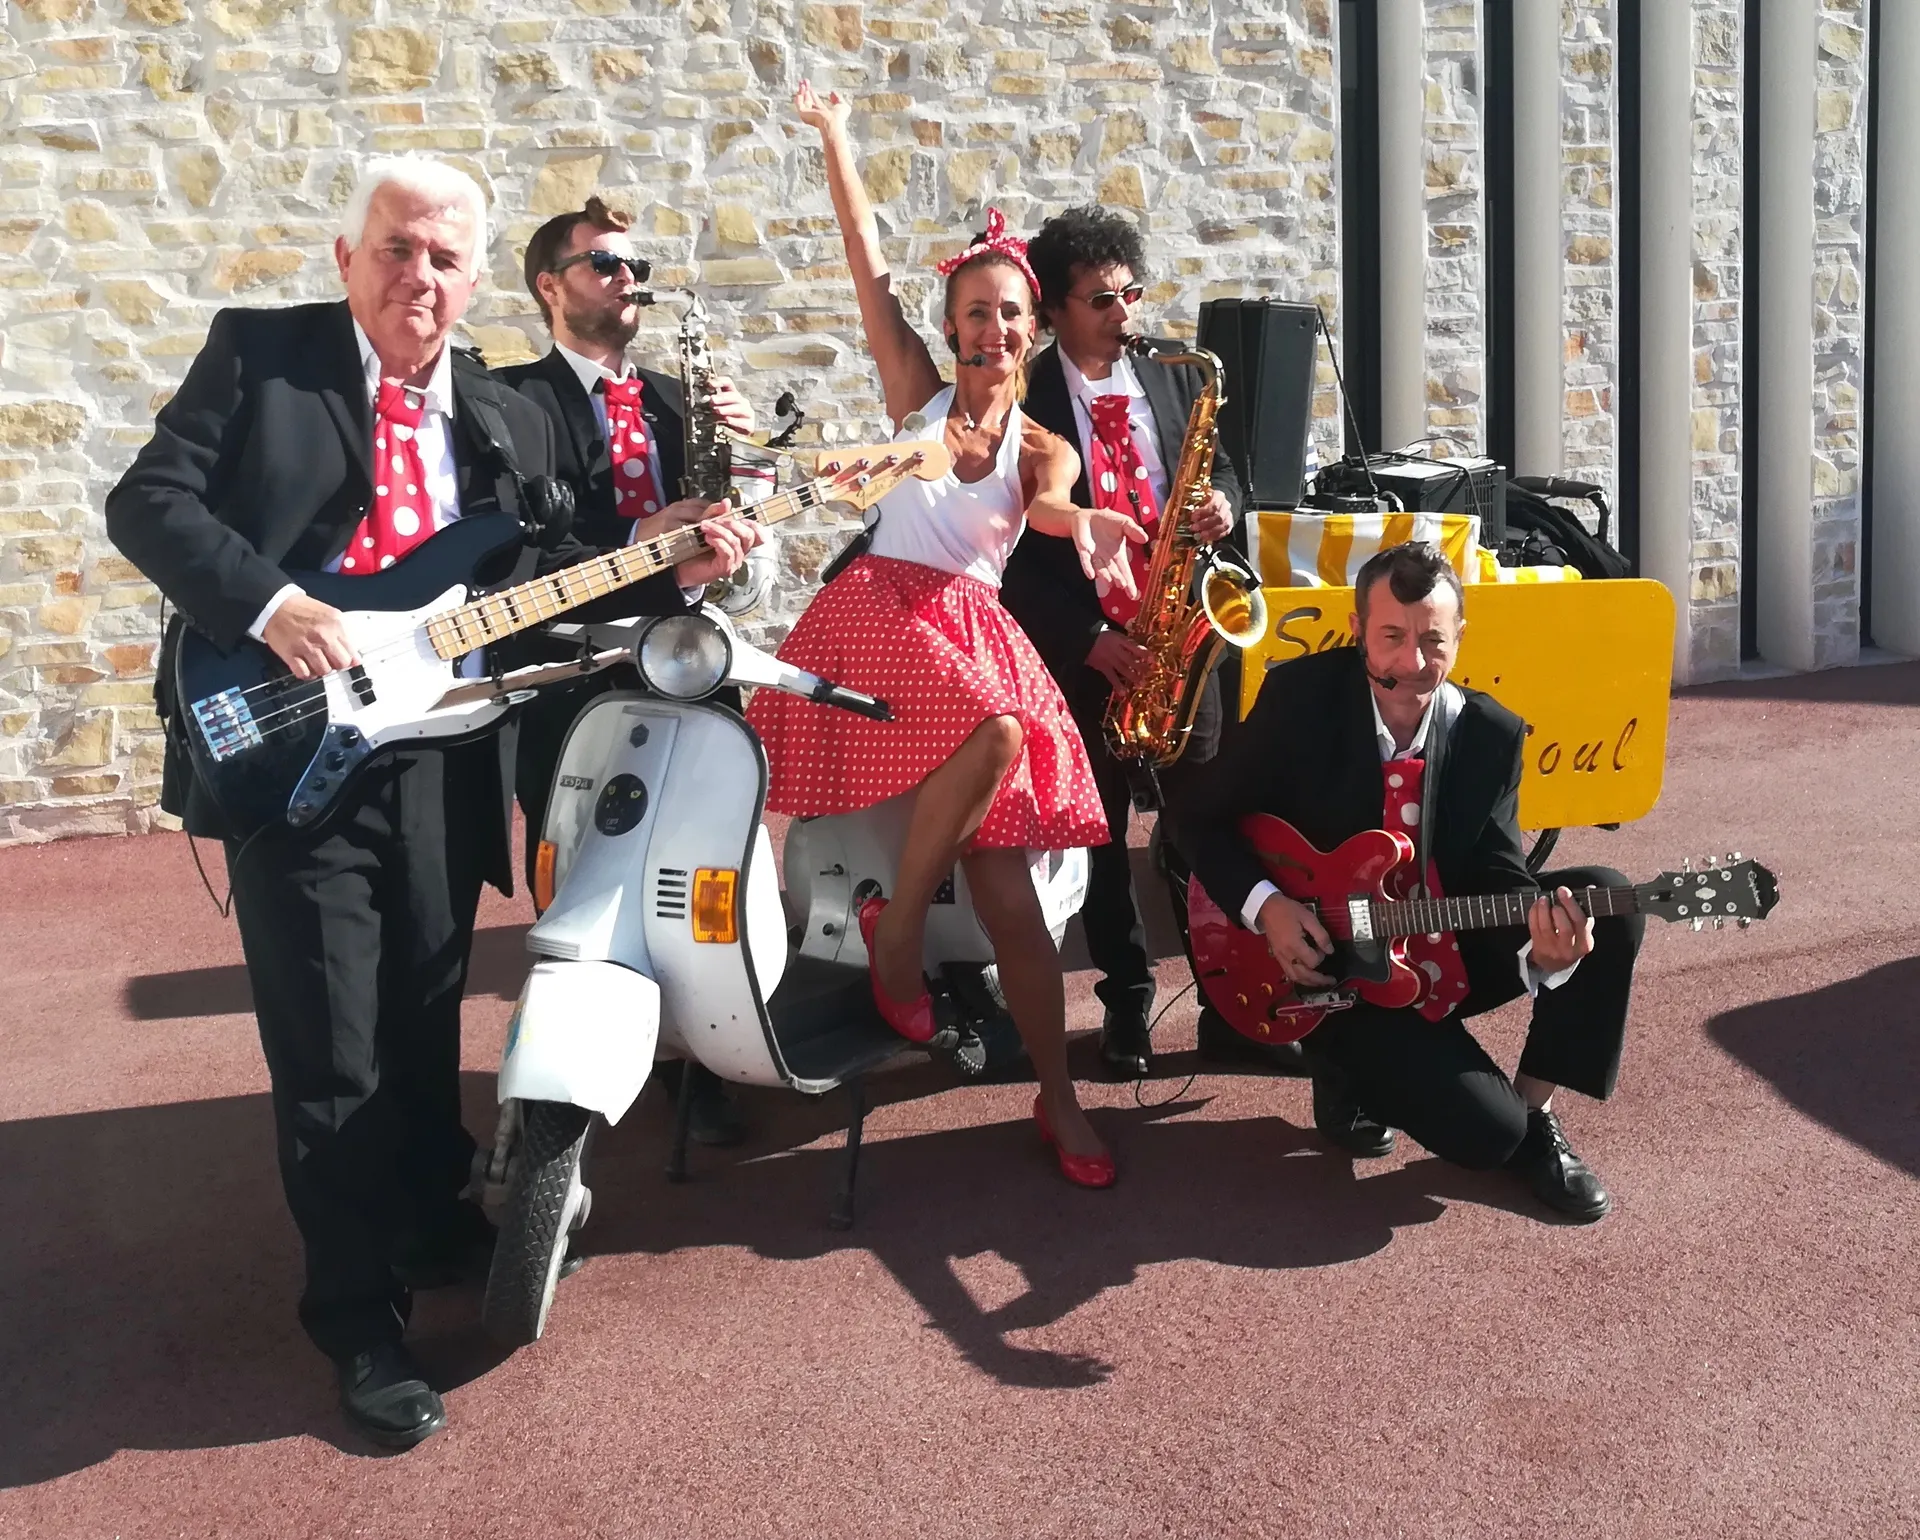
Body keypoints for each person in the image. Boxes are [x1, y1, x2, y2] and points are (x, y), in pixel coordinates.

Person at [103, 155, 757, 1450]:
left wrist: (664, 560)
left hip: (445, 759)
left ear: (475, 280)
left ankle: (425, 1220)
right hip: (298, 753)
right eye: (397, 249)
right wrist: (273, 605)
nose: (420, 275)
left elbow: (543, 572)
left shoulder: (498, 412)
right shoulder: (264, 358)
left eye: (445, 258)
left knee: (418, 1016)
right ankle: (357, 1320)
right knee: (331, 1053)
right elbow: (148, 504)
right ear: (348, 258)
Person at [749, 83, 1149, 1188]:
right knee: (1003, 727)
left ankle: (1057, 1097)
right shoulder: (914, 395)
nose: (994, 329)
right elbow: (866, 262)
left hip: (967, 635)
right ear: (953, 327)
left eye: (1012, 314)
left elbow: (1055, 509)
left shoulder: (1042, 446)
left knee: (1013, 897)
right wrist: (836, 135)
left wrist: (1091, 524)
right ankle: (890, 945)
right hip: (881, 620)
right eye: (976, 311)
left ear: (1033, 330)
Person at [1175, 542, 1644, 1221]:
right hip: (1330, 973)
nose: (1413, 662)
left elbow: (1498, 872)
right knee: (1488, 1137)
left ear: (1460, 636)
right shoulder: (1301, 698)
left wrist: (1542, 951)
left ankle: (1536, 1115)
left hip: (1436, 944)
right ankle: (1342, 1067)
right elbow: (1196, 818)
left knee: (1607, 901)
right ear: (1358, 629)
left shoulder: (1490, 732)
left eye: (1433, 640)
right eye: (1392, 637)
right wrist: (1268, 908)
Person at [1005, 205, 1297, 1081]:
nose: (1125, 314)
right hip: (1088, 650)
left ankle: (1226, 1002)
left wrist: (1226, 507)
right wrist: (1088, 637)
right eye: (1101, 300)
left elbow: (1224, 468)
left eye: (1131, 293)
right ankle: (1126, 998)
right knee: (1100, 838)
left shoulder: (1173, 374)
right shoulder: (1021, 399)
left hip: (1182, 636)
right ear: (1052, 310)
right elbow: (1004, 551)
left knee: (1202, 826)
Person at [499, 195, 767, 1148]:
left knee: (697, 863)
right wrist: (639, 538)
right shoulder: (509, 403)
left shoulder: (674, 400)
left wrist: (749, 469)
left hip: (690, 665)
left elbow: (741, 547)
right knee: (575, 869)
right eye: (604, 264)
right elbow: (518, 548)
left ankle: (695, 1056)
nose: (628, 279)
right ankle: (567, 1073)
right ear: (549, 286)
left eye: (635, 266)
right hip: (572, 676)